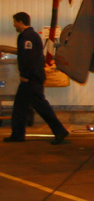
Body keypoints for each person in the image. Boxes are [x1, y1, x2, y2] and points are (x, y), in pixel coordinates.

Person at [2, 12, 69, 145]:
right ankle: (17, 134)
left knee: (41, 106)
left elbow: (29, 58)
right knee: (19, 107)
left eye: (15, 22)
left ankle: (60, 131)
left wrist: (26, 76)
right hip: (29, 79)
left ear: (20, 22)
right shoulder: (27, 36)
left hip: (31, 79)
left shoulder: (29, 37)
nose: (14, 24)